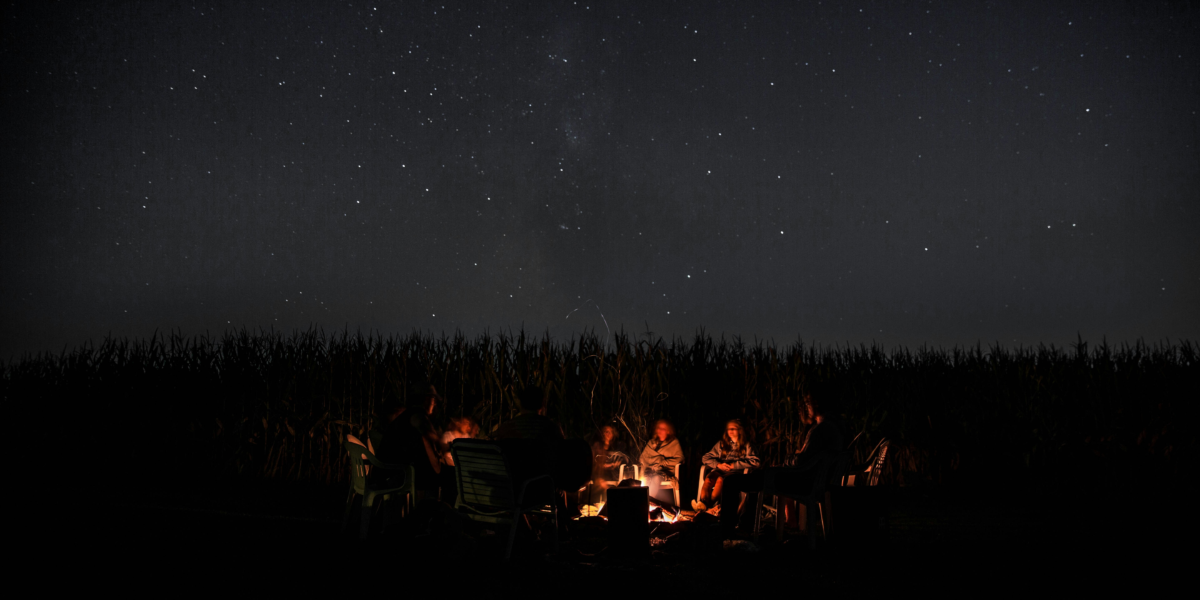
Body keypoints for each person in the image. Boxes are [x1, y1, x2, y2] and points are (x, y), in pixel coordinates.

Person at [719, 392, 844, 536]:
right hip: (812, 481)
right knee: (755, 476)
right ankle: (745, 525)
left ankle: (727, 531)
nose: (806, 407)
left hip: (800, 482)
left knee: (731, 480)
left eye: (808, 403)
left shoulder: (820, 429)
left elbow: (801, 461)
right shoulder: (834, 428)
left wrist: (789, 459)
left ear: (816, 404)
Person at [369, 382, 453, 502]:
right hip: (391, 476)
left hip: (389, 472)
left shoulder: (407, 416)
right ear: (428, 399)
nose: (435, 405)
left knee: (432, 475)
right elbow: (427, 432)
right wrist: (446, 445)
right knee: (447, 478)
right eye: (434, 400)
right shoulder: (416, 416)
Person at [693, 419, 760, 511]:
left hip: (736, 472)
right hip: (721, 469)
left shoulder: (747, 445)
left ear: (740, 430)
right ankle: (703, 503)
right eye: (729, 429)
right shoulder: (722, 444)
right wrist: (718, 465)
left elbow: (755, 462)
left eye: (733, 428)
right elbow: (705, 458)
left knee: (721, 480)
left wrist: (734, 465)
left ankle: (708, 506)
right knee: (708, 479)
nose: (730, 431)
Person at [639, 419, 683, 501]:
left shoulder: (674, 443)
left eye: (663, 429)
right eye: (658, 428)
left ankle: (648, 502)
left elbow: (679, 458)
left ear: (668, 431)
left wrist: (663, 462)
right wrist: (657, 459)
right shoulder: (651, 443)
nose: (659, 430)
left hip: (665, 472)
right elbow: (642, 458)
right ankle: (641, 502)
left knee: (656, 478)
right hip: (649, 470)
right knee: (644, 478)